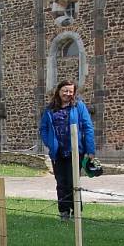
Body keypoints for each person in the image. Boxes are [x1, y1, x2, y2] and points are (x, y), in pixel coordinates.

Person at [39, 80, 95, 221]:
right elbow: (43, 128)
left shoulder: (78, 106)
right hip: (57, 152)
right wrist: (49, 144)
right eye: (65, 90)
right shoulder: (50, 109)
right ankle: (63, 211)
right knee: (61, 182)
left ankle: (76, 211)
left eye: (70, 91)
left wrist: (90, 149)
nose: (67, 93)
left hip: (75, 151)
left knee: (73, 182)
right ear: (59, 91)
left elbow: (88, 127)